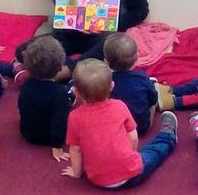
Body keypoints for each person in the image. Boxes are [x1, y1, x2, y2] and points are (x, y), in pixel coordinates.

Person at [61, 59, 177, 189]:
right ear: (112, 86)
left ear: (76, 92)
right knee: (154, 151)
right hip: (132, 174)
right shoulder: (120, 106)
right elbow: (133, 137)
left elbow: (75, 149)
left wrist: (77, 173)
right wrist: (131, 156)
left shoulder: (74, 116)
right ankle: (168, 135)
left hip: (97, 180)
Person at [18, 36, 71, 162]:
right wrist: (57, 146)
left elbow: (21, 106)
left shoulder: (26, 85)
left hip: (27, 133)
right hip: (48, 138)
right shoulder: (60, 93)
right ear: (60, 67)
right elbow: (59, 122)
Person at [104, 32, 157, 134]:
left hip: (116, 127)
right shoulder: (142, 77)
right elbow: (152, 99)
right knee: (153, 95)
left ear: (106, 61)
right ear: (137, 56)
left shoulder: (105, 81)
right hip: (141, 127)